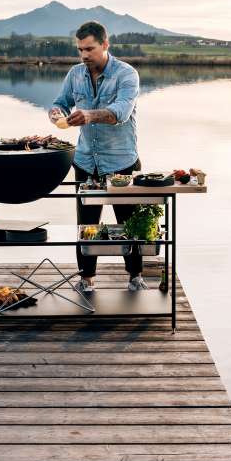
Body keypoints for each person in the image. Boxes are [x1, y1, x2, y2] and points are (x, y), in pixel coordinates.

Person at [49, 21, 146, 293]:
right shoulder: (75, 74)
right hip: (84, 162)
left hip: (121, 162)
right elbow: (60, 102)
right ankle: (86, 279)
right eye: (80, 50)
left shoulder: (127, 74)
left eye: (90, 48)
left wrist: (89, 115)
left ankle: (135, 277)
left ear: (105, 45)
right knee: (87, 224)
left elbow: (121, 112)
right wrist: (55, 113)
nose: (84, 55)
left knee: (129, 224)